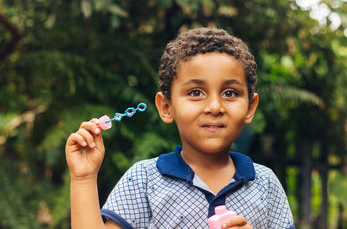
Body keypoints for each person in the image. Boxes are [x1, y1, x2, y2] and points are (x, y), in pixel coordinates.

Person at [65, 27, 294, 229]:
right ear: (166, 107)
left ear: (250, 107)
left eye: (230, 93)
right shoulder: (145, 181)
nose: (214, 106)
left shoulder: (265, 184)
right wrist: (83, 178)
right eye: (196, 92)